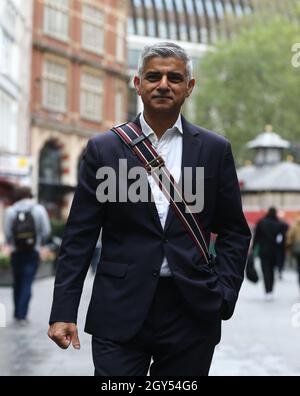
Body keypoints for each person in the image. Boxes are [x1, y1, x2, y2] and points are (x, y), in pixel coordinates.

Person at [48, 42, 251, 376]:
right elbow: (79, 236)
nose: (163, 84)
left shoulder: (215, 150)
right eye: (153, 76)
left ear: (190, 86)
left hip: (192, 309)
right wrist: (62, 311)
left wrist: (224, 295)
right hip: (119, 307)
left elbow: (234, 232)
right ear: (138, 84)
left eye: (174, 77)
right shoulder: (103, 149)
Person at [4, 186, 51, 325]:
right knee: (27, 282)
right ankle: (22, 315)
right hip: (32, 252)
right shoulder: (38, 210)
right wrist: (38, 241)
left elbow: (7, 233)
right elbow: (46, 230)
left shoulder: (10, 211)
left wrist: (12, 243)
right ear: (30, 194)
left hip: (16, 252)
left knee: (17, 282)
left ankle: (16, 313)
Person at [253, 207, 285, 301]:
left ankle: (267, 291)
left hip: (264, 251)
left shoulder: (261, 222)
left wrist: (254, 248)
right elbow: (282, 239)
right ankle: (271, 290)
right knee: (272, 271)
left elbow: (256, 237)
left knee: (265, 271)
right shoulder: (279, 224)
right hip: (275, 252)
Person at [286, 215, 300, 293]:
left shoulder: (295, 226)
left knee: (299, 267)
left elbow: (289, 236)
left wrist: (288, 247)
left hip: (297, 250)